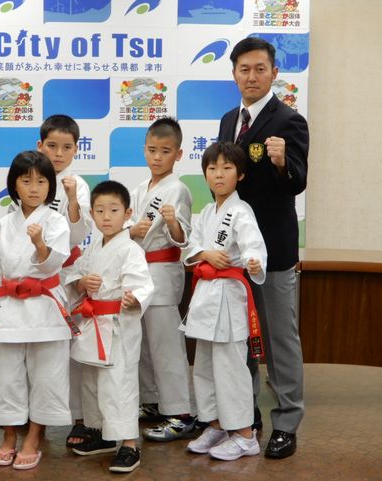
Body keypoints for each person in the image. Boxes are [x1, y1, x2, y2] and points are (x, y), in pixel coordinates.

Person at [217, 36, 309, 458]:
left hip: (272, 252)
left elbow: (298, 181)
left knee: (279, 339)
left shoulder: (290, 121)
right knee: (241, 338)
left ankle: (287, 421)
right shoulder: (227, 121)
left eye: (259, 69)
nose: (251, 76)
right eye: (243, 69)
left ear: (274, 73)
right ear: (234, 73)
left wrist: (280, 162)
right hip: (234, 254)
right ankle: (245, 415)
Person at [0, 151, 72, 470]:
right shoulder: (4, 223)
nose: (34, 187)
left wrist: (41, 244)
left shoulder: (55, 220)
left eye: (41, 181)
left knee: (47, 374)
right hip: (10, 306)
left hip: (45, 305)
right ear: (14, 184)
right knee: (7, 374)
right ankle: (9, 436)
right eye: (26, 180)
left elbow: (53, 263)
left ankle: (34, 436)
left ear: (50, 185)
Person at [183, 141, 267, 461]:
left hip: (229, 299)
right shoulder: (206, 212)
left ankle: (245, 435)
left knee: (231, 368)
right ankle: (216, 425)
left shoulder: (241, 211)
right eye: (212, 168)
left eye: (227, 168)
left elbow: (252, 245)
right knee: (204, 367)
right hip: (205, 297)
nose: (218, 175)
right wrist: (204, 253)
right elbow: (191, 248)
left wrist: (253, 261)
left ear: (240, 175)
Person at [65, 180, 154, 473]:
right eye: (100, 210)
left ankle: (129, 444)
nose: (106, 216)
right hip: (92, 325)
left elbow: (141, 284)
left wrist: (133, 298)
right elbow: (75, 274)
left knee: (118, 385)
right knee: (91, 382)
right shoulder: (93, 248)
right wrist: (81, 282)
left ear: (127, 213)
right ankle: (100, 433)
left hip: (117, 327)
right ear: (92, 212)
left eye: (113, 210)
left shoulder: (130, 249)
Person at [128, 117, 195, 441]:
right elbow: (130, 232)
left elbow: (182, 237)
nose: (157, 157)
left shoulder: (177, 189)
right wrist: (132, 231)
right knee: (143, 343)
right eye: (152, 150)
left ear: (178, 154)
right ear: (144, 150)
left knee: (166, 343)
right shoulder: (142, 189)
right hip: (140, 270)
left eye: (165, 151)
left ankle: (180, 412)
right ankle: (153, 400)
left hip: (164, 271)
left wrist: (172, 223)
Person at [35, 114, 93, 447]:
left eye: (66, 147)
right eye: (52, 146)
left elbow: (79, 231)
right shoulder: (31, 177)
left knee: (73, 350)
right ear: (40, 145)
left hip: (66, 274)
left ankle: (80, 419)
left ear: (76, 150)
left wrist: (71, 198)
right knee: (38, 349)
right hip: (35, 275)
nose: (58, 154)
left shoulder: (77, 183)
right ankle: (35, 418)